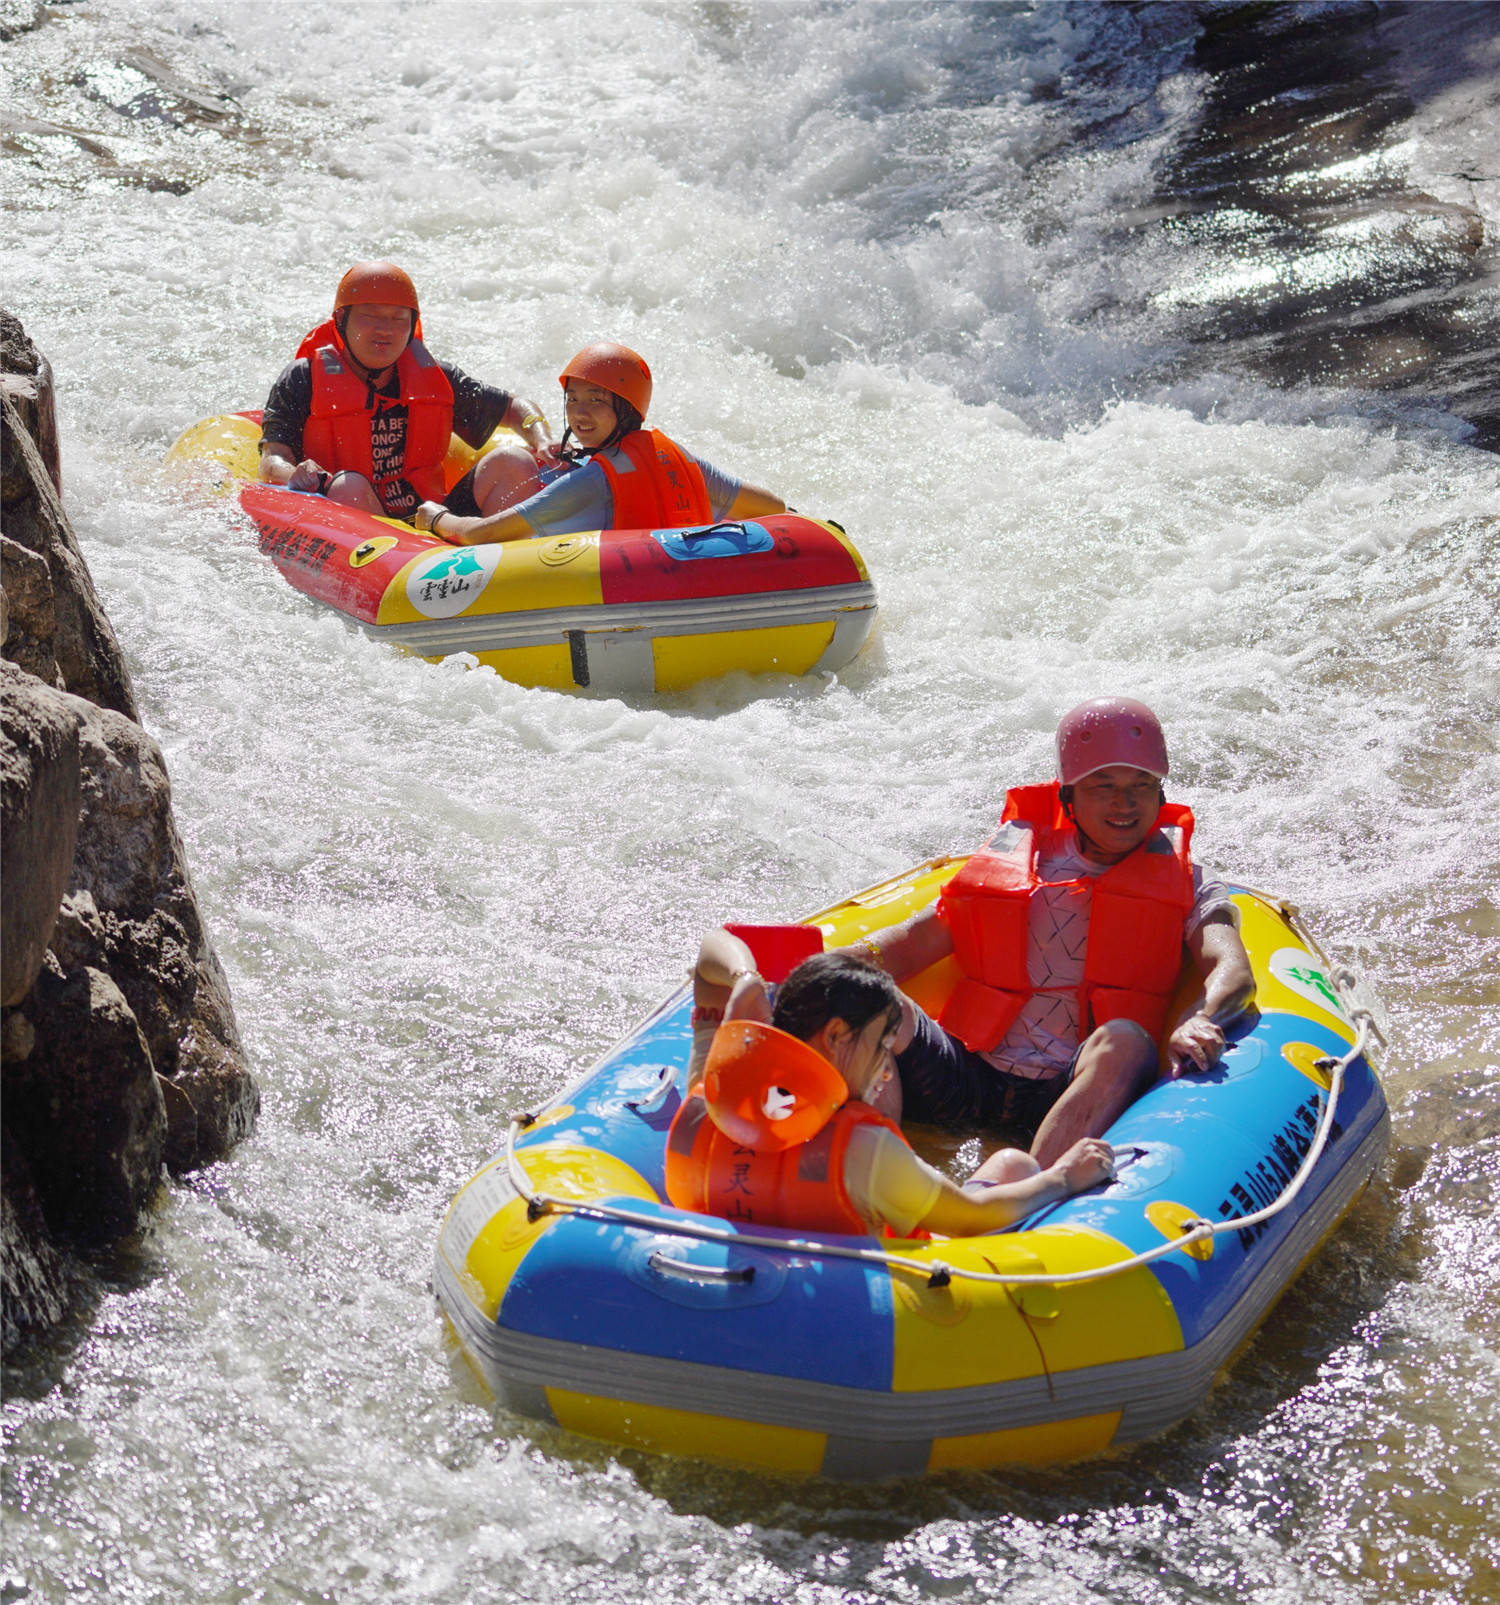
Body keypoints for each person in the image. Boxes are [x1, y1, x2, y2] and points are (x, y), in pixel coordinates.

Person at [840, 697, 1255, 1170]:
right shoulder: (1020, 861)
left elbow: (1231, 968)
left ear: (1161, 796)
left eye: (1143, 786)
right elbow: (908, 946)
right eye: (1105, 787)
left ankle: (1033, 1196)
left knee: (1125, 1039)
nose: (1126, 804)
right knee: (866, 999)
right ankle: (871, 1177)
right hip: (965, 1075)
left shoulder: (1191, 882)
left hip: (1070, 1087)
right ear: (1068, 796)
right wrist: (802, 977)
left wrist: (1203, 1017)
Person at [664, 939, 1115, 1239]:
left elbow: (709, 960)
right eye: (881, 1045)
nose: (884, 1069)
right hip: (862, 1307)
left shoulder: (711, 1093)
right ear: (837, 1035)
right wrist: (1063, 1177)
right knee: (1014, 1164)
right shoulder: (863, 1150)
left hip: (736, 1270)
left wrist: (746, 980)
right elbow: (972, 1219)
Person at [258, 261, 557, 522]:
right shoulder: (303, 378)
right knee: (349, 485)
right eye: (370, 316)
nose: (385, 330)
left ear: (412, 324)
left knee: (513, 461)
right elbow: (273, 460)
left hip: (432, 516)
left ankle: (504, 565)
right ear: (341, 321)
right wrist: (295, 474)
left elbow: (513, 408)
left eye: (398, 318)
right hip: (350, 521)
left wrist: (541, 437)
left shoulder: (438, 379)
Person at [411, 341, 786, 543]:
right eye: (572, 400)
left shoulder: (590, 483)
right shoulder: (684, 462)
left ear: (626, 409)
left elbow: (480, 535)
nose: (579, 414)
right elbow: (773, 506)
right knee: (511, 461)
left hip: (617, 599)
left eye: (595, 400)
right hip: (674, 584)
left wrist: (437, 518)